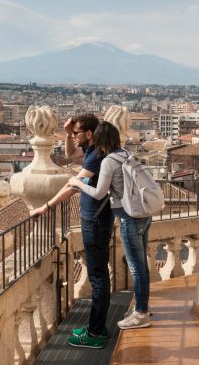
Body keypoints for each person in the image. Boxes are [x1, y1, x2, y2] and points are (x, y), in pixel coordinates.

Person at [30, 114, 114, 349]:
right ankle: (98, 327)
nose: (74, 137)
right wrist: (67, 133)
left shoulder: (97, 156)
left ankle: (95, 334)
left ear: (89, 134)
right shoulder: (93, 151)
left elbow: (72, 186)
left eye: (77, 133)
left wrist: (46, 207)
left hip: (96, 222)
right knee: (99, 276)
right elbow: (70, 154)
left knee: (98, 278)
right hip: (96, 220)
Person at [68, 121, 152, 330]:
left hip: (128, 217)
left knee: (136, 268)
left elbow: (99, 193)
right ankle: (142, 308)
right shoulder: (124, 153)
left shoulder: (108, 161)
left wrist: (77, 183)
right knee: (142, 266)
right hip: (143, 214)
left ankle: (140, 314)